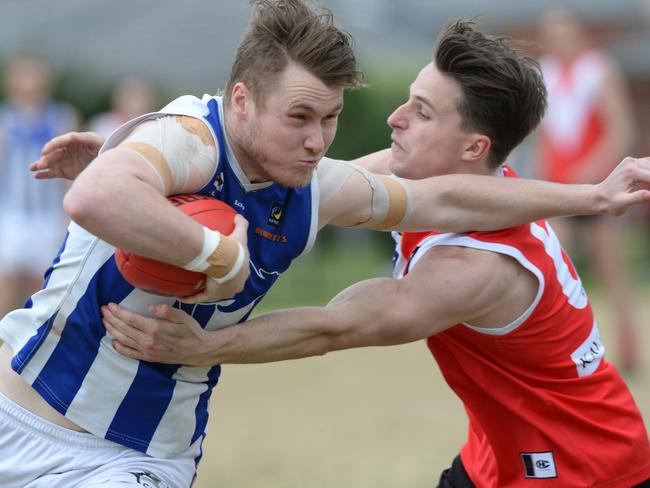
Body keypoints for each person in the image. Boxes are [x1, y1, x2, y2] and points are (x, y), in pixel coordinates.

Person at [4, 1, 650, 485]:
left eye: (420, 112)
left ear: (472, 148)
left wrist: (208, 341)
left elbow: (337, 326)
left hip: (575, 466)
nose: (393, 118)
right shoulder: (440, 176)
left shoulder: (475, 264)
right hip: (496, 453)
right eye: (302, 117)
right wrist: (138, 166)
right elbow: (280, 195)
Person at [537, 8, 641, 372]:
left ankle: (630, 352)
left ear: (579, 33)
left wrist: (596, 167)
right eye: (552, 32)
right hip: (560, 190)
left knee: (611, 269)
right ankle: (552, 353)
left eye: (564, 30)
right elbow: (542, 137)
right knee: (548, 266)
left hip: (599, 187)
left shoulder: (598, 70)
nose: (558, 38)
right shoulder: (543, 73)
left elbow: (621, 129)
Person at [0, 52, 78, 318]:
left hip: (47, 213)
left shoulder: (60, 117)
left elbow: (71, 171)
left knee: (41, 282)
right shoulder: (6, 120)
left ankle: (29, 340)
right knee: (7, 280)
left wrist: (67, 213)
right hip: (12, 211)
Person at [88, 76, 159, 138]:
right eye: (130, 96)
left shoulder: (156, 127)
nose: (133, 103)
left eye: (138, 97)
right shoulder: (103, 124)